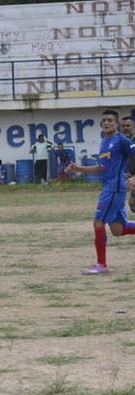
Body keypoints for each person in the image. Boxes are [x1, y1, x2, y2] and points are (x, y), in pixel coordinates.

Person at [64, 109, 135, 275]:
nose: (106, 123)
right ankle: (101, 264)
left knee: (98, 222)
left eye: (110, 120)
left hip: (114, 188)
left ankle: (101, 264)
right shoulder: (105, 142)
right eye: (104, 120)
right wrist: (79, 168)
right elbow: (102, 168)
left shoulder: (122, 141)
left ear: (116, 124)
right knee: (118, 229)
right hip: (108, 187)